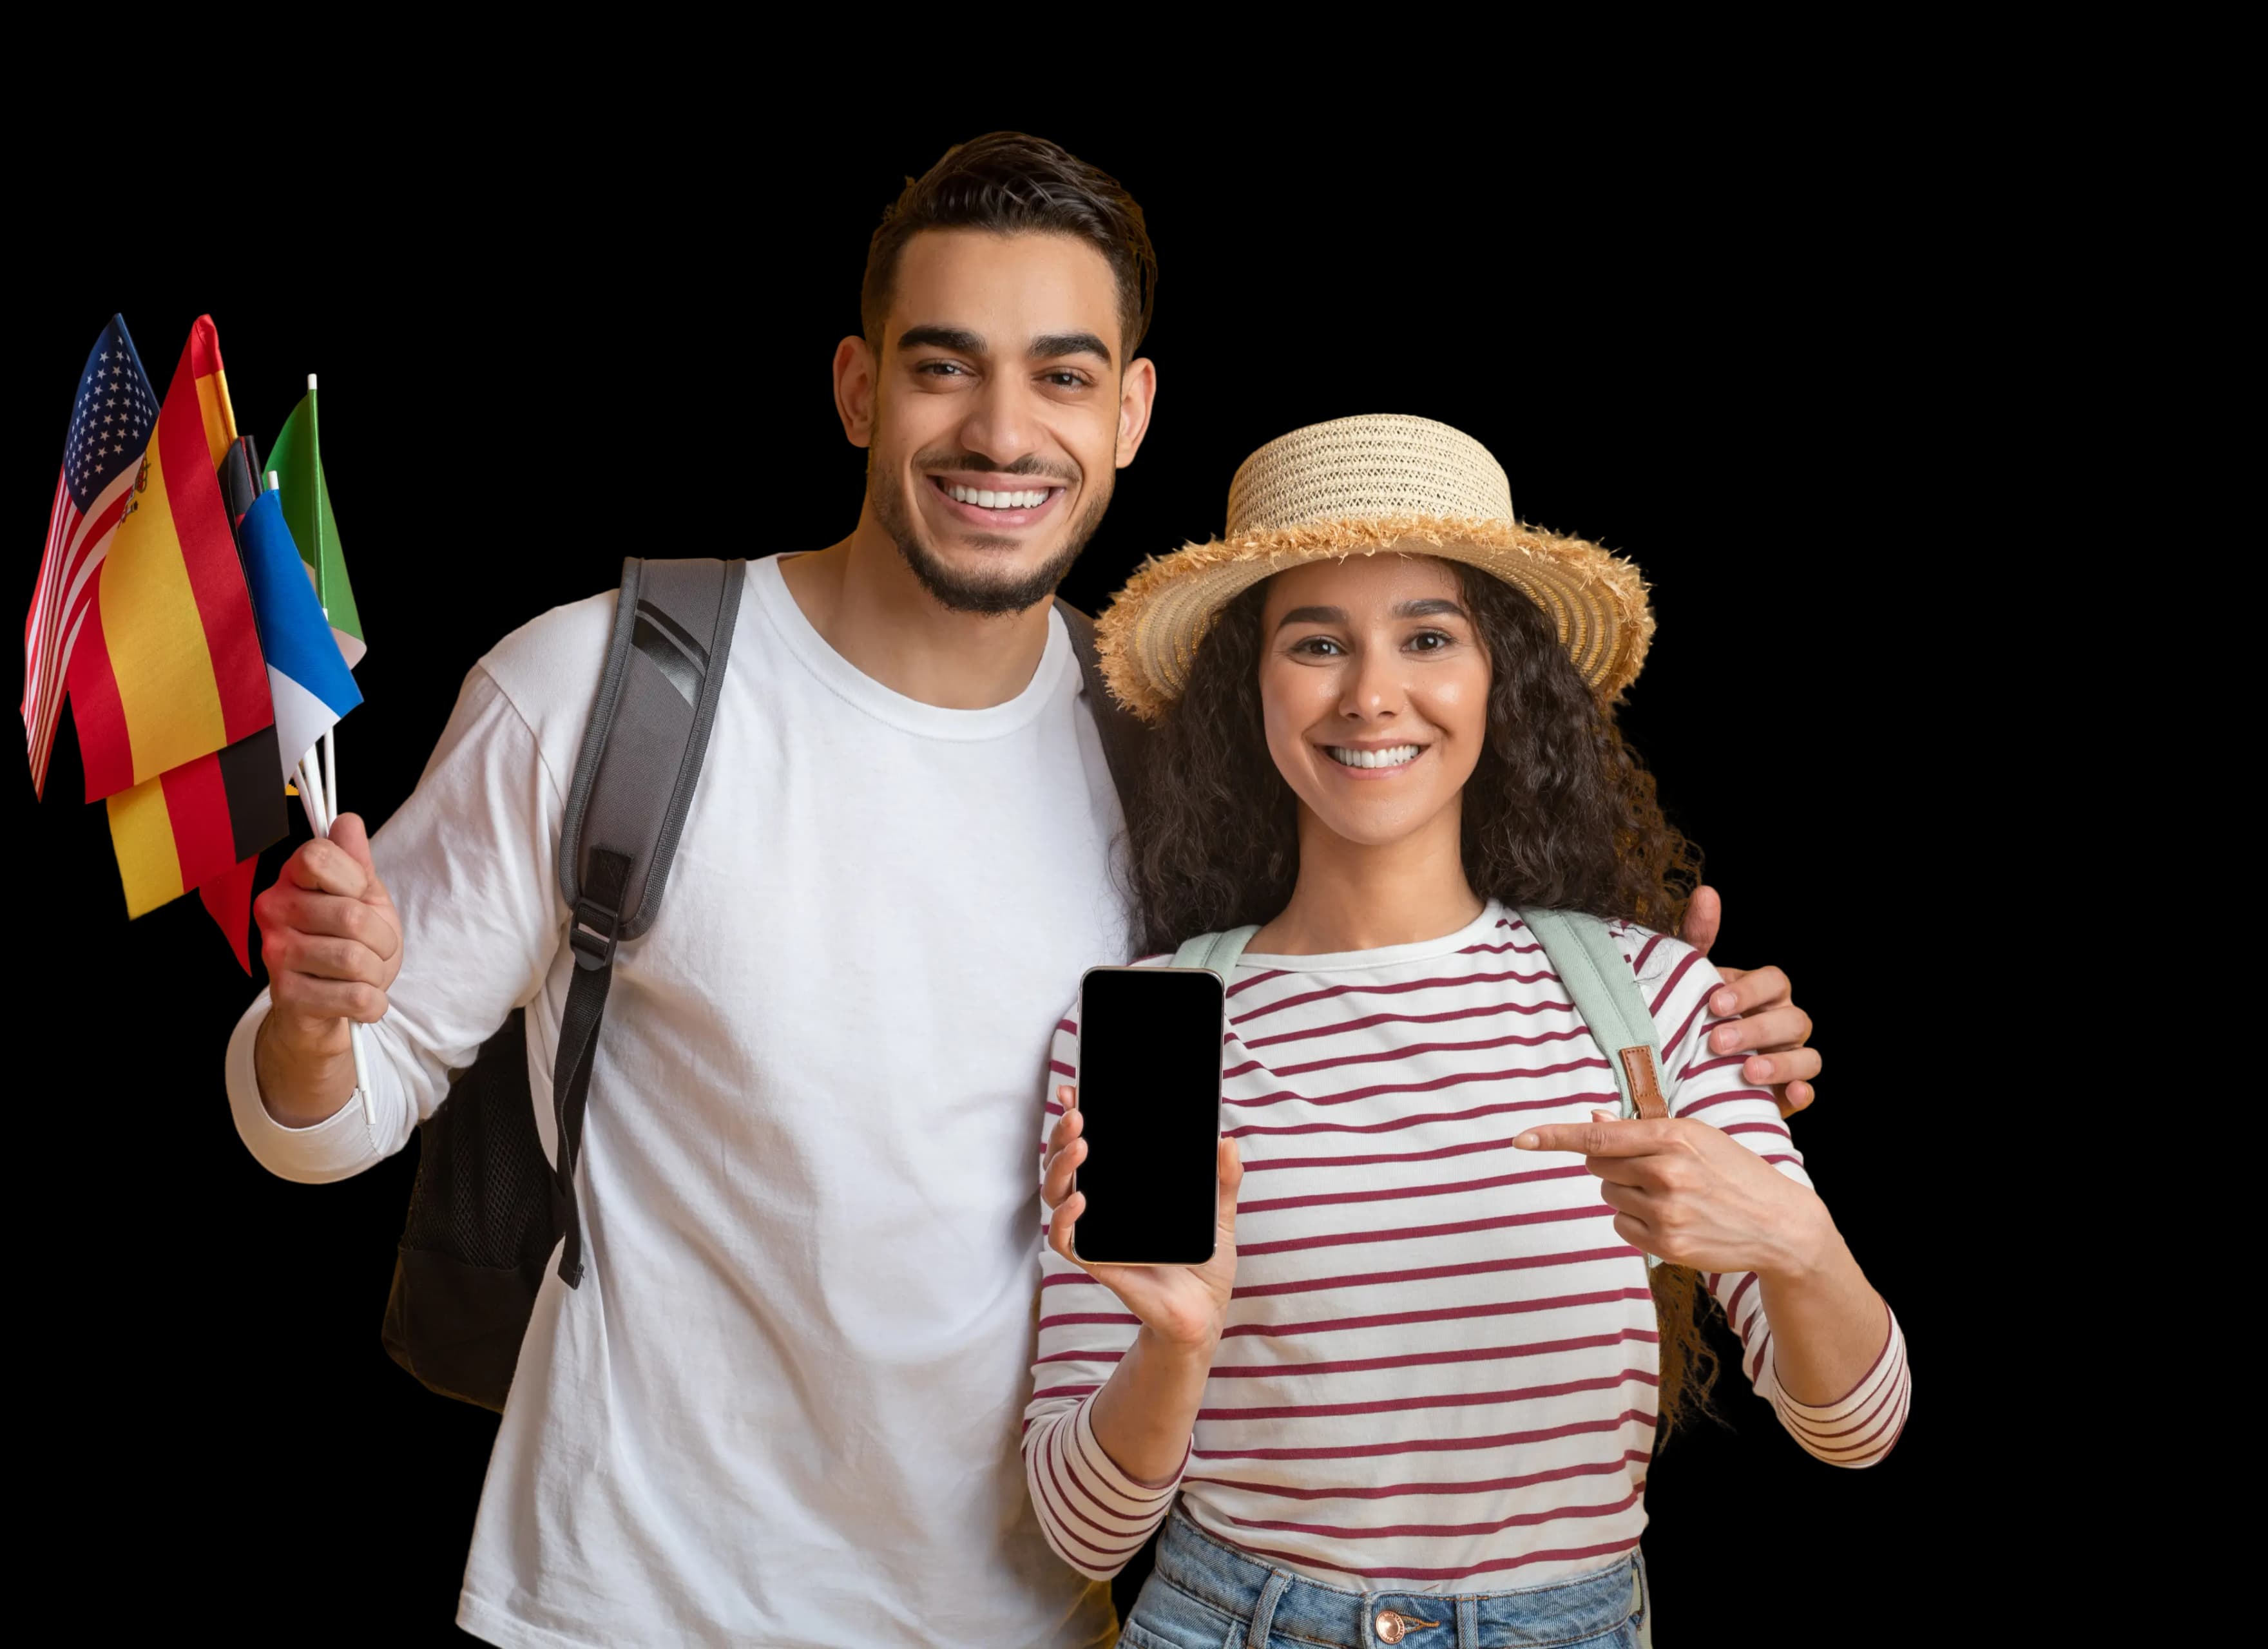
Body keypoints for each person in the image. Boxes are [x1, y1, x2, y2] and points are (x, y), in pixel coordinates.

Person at [226, 133, 1823, 1647]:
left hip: (1037, 1608)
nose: (1002, 431)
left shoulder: (1164, 757)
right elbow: (331, 1115)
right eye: (945, 365)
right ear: (859, 388)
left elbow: (1383, 965)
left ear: (1129, 411)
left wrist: (1674, 1017)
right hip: (637, 1599)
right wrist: (309, 1017)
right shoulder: (601, 689)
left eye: (1061, 374)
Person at [1027, 415, 1903, 1647]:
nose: (1371, 695)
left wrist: (1797, 1244)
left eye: (1428, 638)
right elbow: (1081, 1535)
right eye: (1316, 643)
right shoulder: (1149, 1030)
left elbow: (1855, 1428)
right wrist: (1176, 1345)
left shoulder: (1651, 998)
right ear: (1249, 689)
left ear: (1502, 676)